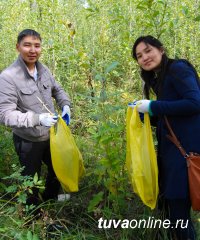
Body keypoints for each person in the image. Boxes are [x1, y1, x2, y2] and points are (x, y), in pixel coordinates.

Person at [131, 35, 199, 240]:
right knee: (172, 211)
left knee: (179, 213)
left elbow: (195, 102)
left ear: (161, 49)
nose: (145, 57)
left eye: (148, 50)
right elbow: (171, 117)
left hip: (185, 153)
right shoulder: (159, 77)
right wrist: (146, 115)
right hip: (173, 155)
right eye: (139, 56)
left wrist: (153, 106)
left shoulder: (178, 69)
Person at [0, 29, 71, 206]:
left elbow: (57, 89)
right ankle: (34, 214)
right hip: (28, 140)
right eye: (27, 45)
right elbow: (5, 114)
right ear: (18, 47)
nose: (33, 50)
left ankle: (50, 198)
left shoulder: (43, 69)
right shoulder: (8, 77)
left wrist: (66, 105)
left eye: (37, 45)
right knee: (30, 179)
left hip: (51, 135)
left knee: (58, 168)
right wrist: (37, 119)